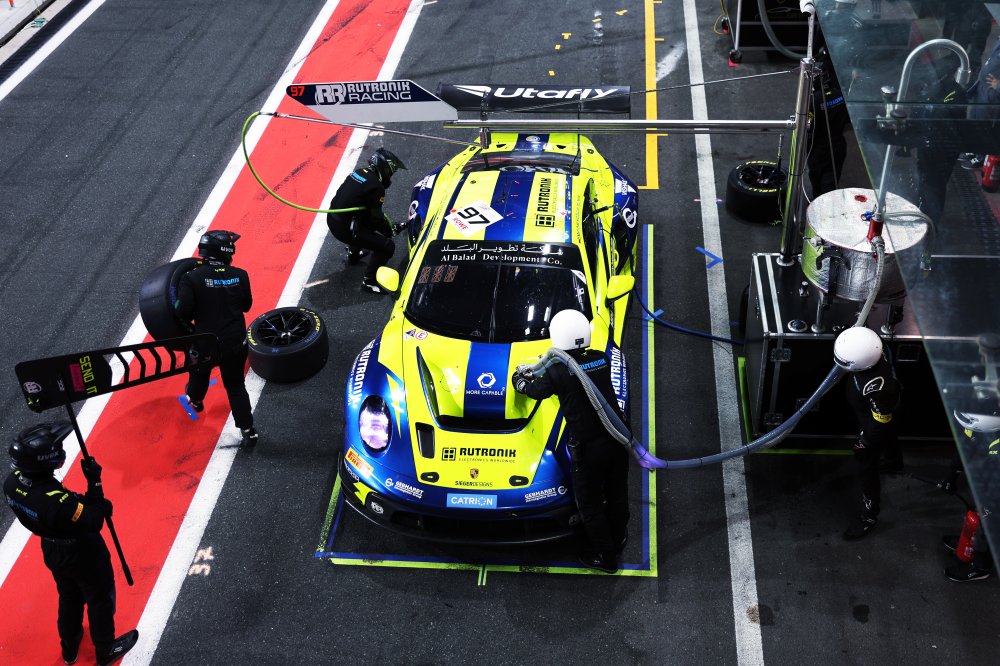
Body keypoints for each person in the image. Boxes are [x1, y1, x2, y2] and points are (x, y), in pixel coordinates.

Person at [3, 422, 138, 665]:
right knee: (99, 599)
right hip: (82, 552)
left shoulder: (11, 483)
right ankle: (105, 650)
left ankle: (69, 647)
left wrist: (85, 502)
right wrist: (95, 484)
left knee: (69, 596)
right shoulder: (56, 502)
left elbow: (65, 504)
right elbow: (94, 520)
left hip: (52, 550)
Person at [511, 309, 629, 573]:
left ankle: (606, 557)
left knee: (589, 503)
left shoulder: (558, 372)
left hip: (589, 449)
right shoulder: (600, 359)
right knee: (617, 493)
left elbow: (533, 390)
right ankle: (618, 536)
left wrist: (519, 379)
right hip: (618, 439)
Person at [174, 230, 257, 447]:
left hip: (206, 343)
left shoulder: (191, 278)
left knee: (199, 373)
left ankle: (196, 400)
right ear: (226, 251)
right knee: (236, 386)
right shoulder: (240, 274)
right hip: (235, 342)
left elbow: (182, 311)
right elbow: (247, 306)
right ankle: (248, 431)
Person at [833, 326, 903, 540]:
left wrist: (864, 441)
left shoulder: (878, 388)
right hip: (877, 409)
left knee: (866, 466)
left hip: (874, 418)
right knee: (891, 433)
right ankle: (895, 463)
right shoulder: (870, 344)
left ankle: (869, 516)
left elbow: (881, 422)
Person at [326, 148, 407, 294]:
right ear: (385, 168)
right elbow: (377, 218)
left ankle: (353, 254)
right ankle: (369, 282)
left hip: (333, 219)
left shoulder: (359, 172)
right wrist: (389, 231)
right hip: (344, 229)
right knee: (387, 246)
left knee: (363, 219)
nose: (391, 176)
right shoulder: (376, 188)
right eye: (391, 172)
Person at [941, 404, 998, 582]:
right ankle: (969, 541)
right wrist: (951, 475)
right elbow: (964, 448)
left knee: (988, 525)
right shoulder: (976, 426)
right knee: (976, 512)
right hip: (984, 478)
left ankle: (981, 567)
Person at [807, 47, 850, 198]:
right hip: (838, 145)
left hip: (818, 148)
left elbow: (808, 128)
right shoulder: (840, 94)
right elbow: (847, 118)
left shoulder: (812, 101)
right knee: (831, 180)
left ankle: (817, 205)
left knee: (817, 180)